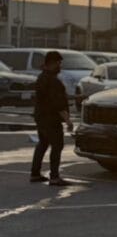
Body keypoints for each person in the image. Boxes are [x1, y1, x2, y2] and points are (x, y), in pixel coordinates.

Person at [30, 51, 73, 186]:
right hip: (51, 118)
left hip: (40, 116)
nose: (60, 66)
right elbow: (58, 103)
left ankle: (35, 173)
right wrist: (68, 120)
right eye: (59, 63)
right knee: (57, 145)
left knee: (43, 143)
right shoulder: (53, 81)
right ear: (53, 63)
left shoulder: (41, 77)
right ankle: (54, 177)